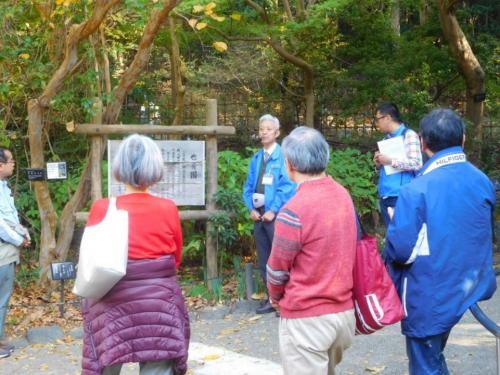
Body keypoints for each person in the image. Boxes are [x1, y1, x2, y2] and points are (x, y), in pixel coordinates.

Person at [384, 109, 497, 375]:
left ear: (422, 143)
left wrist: (395, 224)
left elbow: (401, 251)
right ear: (464, 139)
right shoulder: (481, 180)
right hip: (471, 282)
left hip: (431, 291)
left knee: (426, 362)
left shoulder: (416, 190)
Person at [81, 134, 190, 375]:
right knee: (158, 365)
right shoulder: (167, 208)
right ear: (155, 167)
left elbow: (89, 260)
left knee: (107, 361)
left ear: (120, 166)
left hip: (111, 301)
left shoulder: (102, 207)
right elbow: (176, 260)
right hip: (158, 303)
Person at [267, 127, 357, 375]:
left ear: (289, 164)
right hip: (343, 315)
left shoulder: (293, 210)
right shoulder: (343, 196)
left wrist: (275, 297)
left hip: (307, 319)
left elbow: (277, 270)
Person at [242, 114, 296, 315]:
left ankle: (288, 299)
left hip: (277, 216)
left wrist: (273, 210)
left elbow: (288, 186)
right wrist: (251, 208)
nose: (263, 132)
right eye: (261, 128)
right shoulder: (257, 158)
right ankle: (270, 298)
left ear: (277, 132)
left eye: (268, 129)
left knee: (281, 257)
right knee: (264, 257)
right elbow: (248, 186)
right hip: (259, 216)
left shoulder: (283, 156)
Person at [0, 147, 30, 359]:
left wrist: (22, 231)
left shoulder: (4, 186)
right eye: (10, 161)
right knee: (1, 298)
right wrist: (20, 240)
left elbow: (9, 218)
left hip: (7, 250)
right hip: (3, 252)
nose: (13, 164)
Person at [373, 102, 422, 227]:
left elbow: (417, 164)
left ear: (388, 118)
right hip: (385, 194)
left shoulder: (409, 135)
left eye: (377, 119)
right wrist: (379, 163)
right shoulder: (386, 140)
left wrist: (390, 161)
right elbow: (386, 169)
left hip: (401, 196)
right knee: (391, 235)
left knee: (402, 235)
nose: (376, 123)